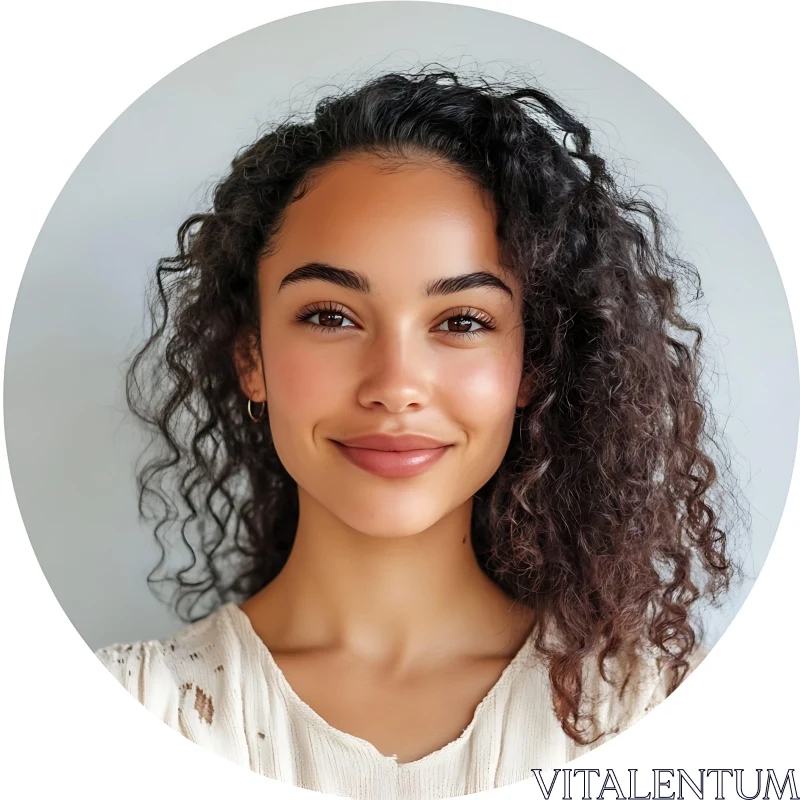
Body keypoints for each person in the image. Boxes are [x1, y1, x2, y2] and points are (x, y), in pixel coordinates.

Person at [95, 66, 741, 799]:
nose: (395, 385)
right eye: (331, 316)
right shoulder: (122, 709)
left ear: (529, 365)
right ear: (253, 360)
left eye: (462, 322)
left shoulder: (660, 711)